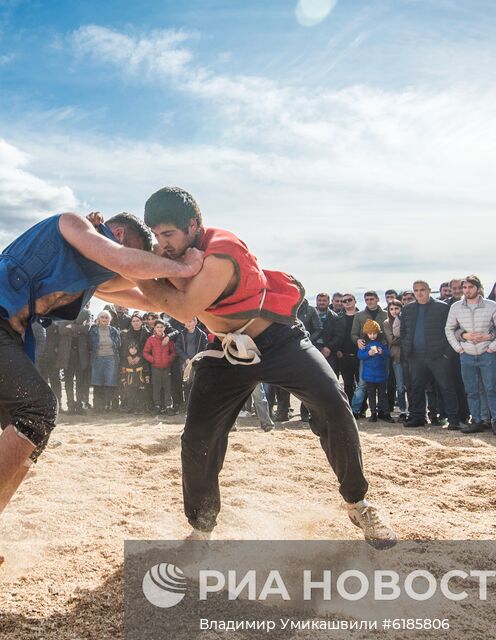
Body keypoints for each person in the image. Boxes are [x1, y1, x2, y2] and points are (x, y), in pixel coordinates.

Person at [0, 209, 203, 570]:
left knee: (35, 431)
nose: (126, 267)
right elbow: (124, 261)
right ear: (118, 233)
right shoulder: (72, 223)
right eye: (137, 250)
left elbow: (147, 298)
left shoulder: (97, 278)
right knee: (38, 411)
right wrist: (183, 267)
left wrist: (200, 294)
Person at [125, 187, 395, 545]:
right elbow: (129, 291)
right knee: (198, 437)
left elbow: (183, 308)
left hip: (279, 339)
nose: (163, 243)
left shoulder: (224, 248)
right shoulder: (169, 254)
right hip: (226, 350)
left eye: (169, 234)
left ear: (193, 225)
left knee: (332, 403)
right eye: (157, 236)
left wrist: (137, 269)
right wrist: (114, 260)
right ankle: (202, 526)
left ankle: (358, 502)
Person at [444, 275, 496, 434]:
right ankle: (477, 421)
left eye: (470, 287)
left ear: (478, 288)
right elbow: (449, 329)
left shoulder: (491, 306)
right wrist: (459, 348)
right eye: (464, 287)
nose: (466, 290)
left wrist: (493, 347)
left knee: (491, 389)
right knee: (471, 390)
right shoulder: (456, 307)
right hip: (466, 354)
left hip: (487, 353)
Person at [400, 282, 460, 429]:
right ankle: (418, 417)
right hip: (415, 355)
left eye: (422, 290)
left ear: (429, 291)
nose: (419, 293)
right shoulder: (408, 309)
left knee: (446, 387)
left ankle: (453, 420)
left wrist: (446, 353)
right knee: (416, 387)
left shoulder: (442, 307)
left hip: (438, 356)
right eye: (416, 290)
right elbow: (403, 332)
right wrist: (407, 350)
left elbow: (451, 330)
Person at [352, 319, 390, 422]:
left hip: (381, 374)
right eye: (370, 334)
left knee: (383, 395)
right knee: (371, 395)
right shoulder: (364, 344)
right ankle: (373, 413)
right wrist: (368, 354)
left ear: (378, 333)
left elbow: (388, 355)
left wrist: (382, 352)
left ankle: (386, 413)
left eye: (374, 333)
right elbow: (360, 355)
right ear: (366, 334)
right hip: (369, 375)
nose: (372, 336)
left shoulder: (382, 343)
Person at [87, 311, 121, 410]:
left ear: (109, 319)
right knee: (97, 381)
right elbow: (90, 344)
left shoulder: (114, 330)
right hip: (97, 358)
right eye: (102, 317)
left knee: (110, 381)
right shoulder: (93, 330)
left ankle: (108, 405)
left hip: (111, 358)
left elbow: (118, 344)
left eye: (106, 317)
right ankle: (98, 405)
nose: (104, 319)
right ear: (98, 318)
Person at [142, 319, 177, 414]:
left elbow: (173, 352)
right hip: (155, 367)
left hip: (166, 367)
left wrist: (168, 359)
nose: (160, 329)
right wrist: (152, 360)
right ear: (154, 328)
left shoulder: (168, 339)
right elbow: (145, 352)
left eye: (162, 327)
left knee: (167, 387)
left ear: (165, 328)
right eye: (158, 327)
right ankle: (157, 406)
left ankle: (168, 406)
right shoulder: (151, 339)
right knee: (156, 387)